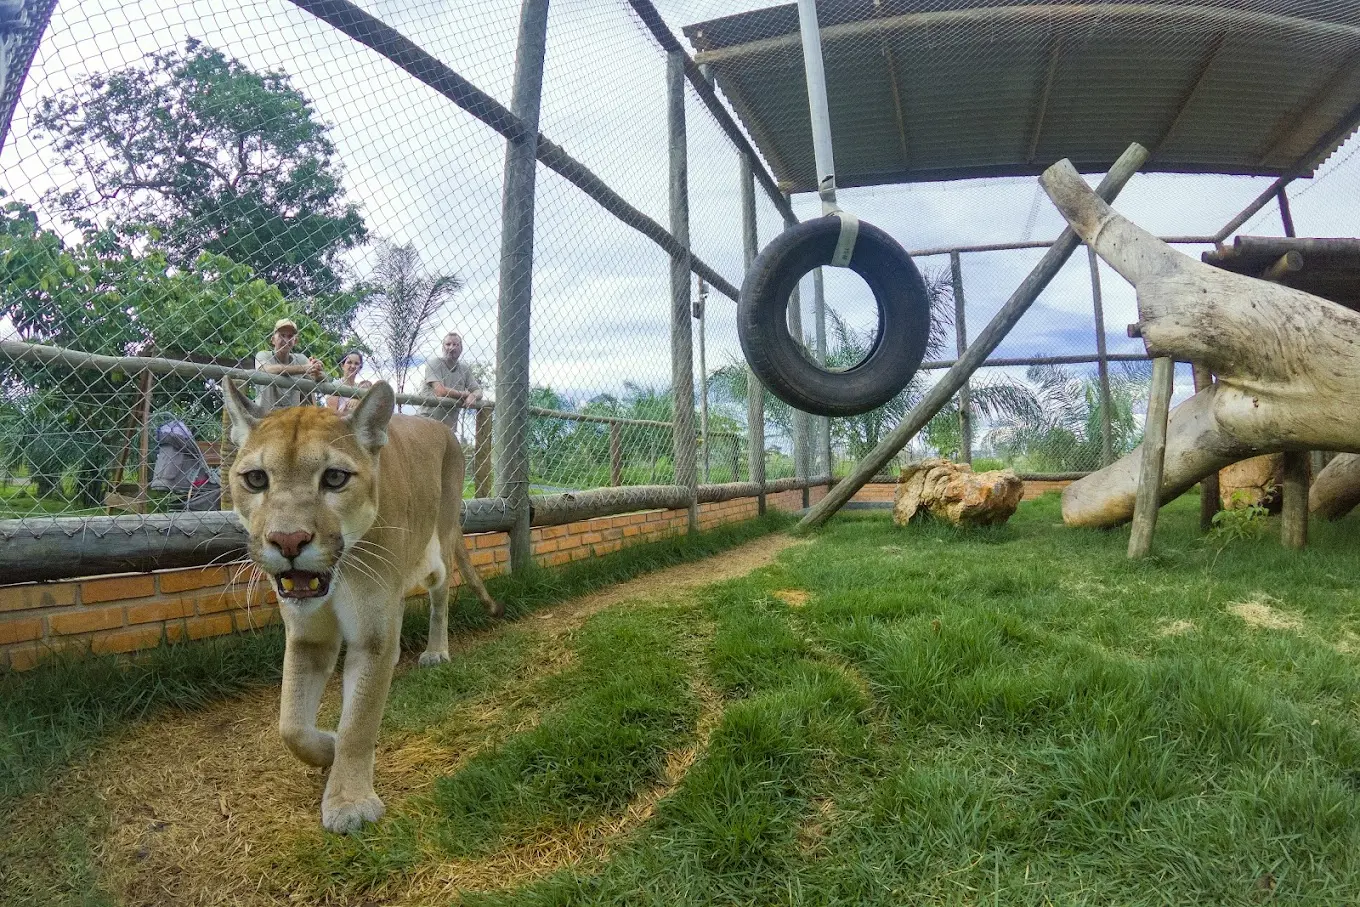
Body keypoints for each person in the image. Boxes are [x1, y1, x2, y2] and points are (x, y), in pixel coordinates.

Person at [253, 318, 324, 411]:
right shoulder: (263, 355)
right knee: (266, 375)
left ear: (295, 341)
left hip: (291, 417)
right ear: (273, 340)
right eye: (282, 335)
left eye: (290, 336)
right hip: (267, 414)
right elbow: (265, 369)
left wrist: (317, 370)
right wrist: (304, 368)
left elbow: (320, 378)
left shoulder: (301, 359)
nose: (286, 340)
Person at [421, 331, 482, 433]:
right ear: (442, 347)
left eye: (455, 344)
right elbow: (440, 391)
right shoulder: (434, 363)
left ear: (461, 349)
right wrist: (465, 394)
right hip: (426, 423)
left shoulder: (464, 369)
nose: (451, 348)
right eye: (448, 344)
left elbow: (478, 390)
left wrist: (473, 396)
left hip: (448, 429)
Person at [326, 350, 372, 416]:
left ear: (359, 368)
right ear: (342, 365)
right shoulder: (336, 385)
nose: (353, 366)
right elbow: (331, 415)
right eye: (349, 362)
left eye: (356, 364)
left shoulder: (360, 387)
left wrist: (358, 400)